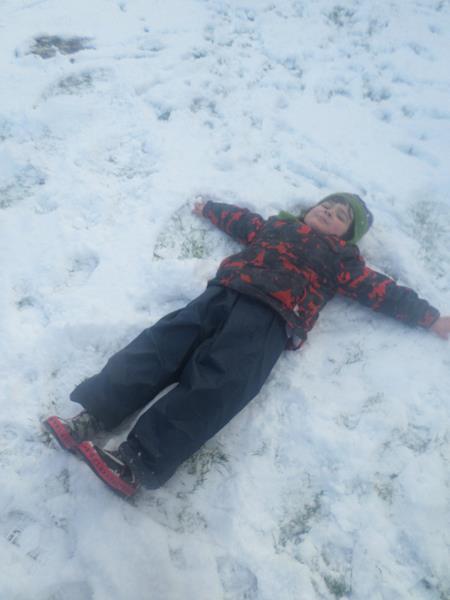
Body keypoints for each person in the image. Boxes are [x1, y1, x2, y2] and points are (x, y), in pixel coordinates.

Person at [43, 193, 450, 498]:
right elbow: (241, 221)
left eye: (341, 216)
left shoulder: (343, 262)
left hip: (271, 318)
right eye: (327, 205)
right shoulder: (276, 227)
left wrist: (431, 318)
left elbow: (383, 291)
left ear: (348, 237)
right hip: (220, 295)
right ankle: (93, 415)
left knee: (217, 385)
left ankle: (137, 460)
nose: (329, 212)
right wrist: (209, 208)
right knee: (157, 348)